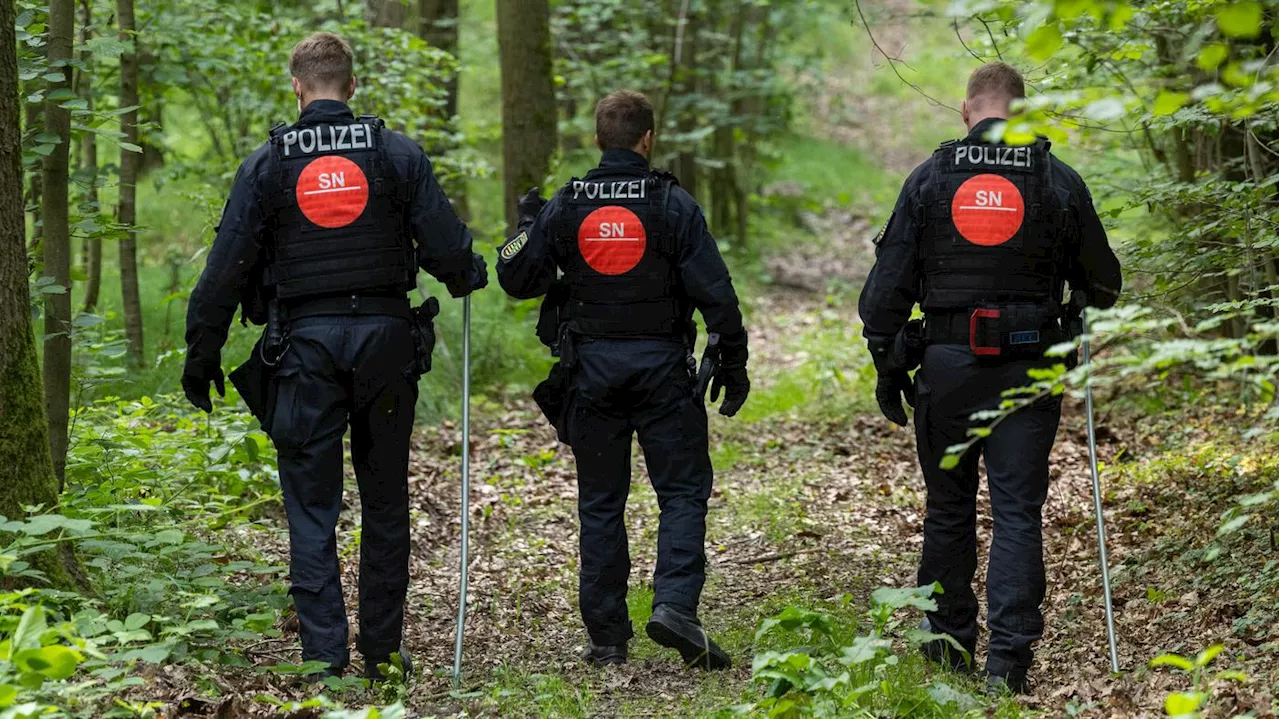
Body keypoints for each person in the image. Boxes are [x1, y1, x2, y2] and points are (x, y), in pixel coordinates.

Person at [182, 32, 486, 681]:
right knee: (384, 498)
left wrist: (201, 353)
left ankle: (324, 656)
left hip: (304, 350)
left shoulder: (269, 164)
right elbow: (448, 251)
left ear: (297, 87)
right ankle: (381, 650)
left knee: (312, 506)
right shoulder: (394, 153)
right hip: (385, 345)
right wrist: (468, 268)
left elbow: (224, 272)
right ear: (352, 86)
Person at [858, 62, 1122, 694]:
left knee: (947, 511)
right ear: (1022, 113)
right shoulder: (1057, 180)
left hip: (948, 369)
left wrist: (888, 361)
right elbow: (1105, 284)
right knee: (1016, 513)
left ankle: (947, 652)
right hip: (1029, 372)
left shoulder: (930, 179)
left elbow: (882, 299)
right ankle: (1008, 664)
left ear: (965, 111)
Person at [496, 90, 749, 670]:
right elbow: (718, 293)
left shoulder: (571, 202)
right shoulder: (672, 204)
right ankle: (676, 607)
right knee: (682, 491)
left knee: (601, 501)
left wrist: (526, 223)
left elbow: (515, 275)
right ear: (648, 139)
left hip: (591, 372)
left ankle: (608, 636)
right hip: (662, 369)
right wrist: (732, 362)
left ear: (596, 141)